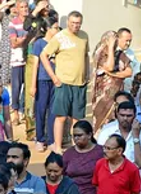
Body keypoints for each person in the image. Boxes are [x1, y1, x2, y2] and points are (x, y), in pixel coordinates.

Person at [40, 11, 89, 153]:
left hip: (80, 83)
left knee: (77, 118)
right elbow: (44, 55)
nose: (75, 26)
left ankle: (76, 147)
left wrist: (87, 73)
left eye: (78, 23)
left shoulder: (84, 36)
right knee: (61, 116)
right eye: (73, 23)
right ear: (68, 22)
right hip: (64, 82)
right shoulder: (59, 37)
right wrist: (53, 77)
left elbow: (85, 55)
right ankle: (57, 147)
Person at [29, 15, 59, 151]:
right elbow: (35, 65)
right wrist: (33, 84)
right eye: (55, 27)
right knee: (40, 110)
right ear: (48, 28)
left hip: (56, 80)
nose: (58, 30)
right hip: (42, 80)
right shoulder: (39, 43)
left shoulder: (59, 42)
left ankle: (52, 139)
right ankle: (40, 138)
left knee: (53, 111)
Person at [92, 30, 132, 132]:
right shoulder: (101, 53)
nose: (128, 44)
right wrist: (110, 48)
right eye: (126, 41)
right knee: (101, 123)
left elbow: (129, 72)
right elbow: (109, 66)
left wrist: (114, 75)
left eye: (130, 41)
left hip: (117, 95)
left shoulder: (121, 54)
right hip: (103, 96)